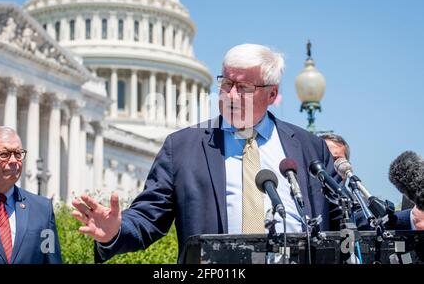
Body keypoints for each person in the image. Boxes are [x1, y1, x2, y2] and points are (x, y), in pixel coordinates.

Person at [71, 44, 416, 263]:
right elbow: (148, 219)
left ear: (271, 94)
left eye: (244, 87)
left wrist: (409, 220)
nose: (231, 95)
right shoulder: (183, 147)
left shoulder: (308, 147)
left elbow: (344, 219)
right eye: (226, 84)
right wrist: (116, 230)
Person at [0, 126, 62, 264]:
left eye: (18, 154)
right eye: (4, 154)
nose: (14, 160)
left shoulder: (43, 210)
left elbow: (51, 259)